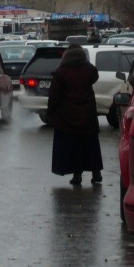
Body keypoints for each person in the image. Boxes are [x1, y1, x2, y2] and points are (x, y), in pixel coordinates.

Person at [46, 44, 103, 185]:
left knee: (73, 147)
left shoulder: (61, 72)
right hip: (87, 114)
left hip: (68, 116)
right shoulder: (89, 69)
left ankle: (77, 175)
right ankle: (96, 173)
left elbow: (54, 95)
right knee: (91, 145)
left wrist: (51, 111)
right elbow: (94, 77)